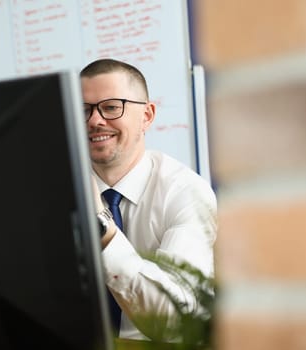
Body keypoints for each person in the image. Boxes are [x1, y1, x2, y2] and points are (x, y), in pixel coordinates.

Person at [80, 58, 217, 341]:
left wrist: (101, 228)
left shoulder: (186, 193)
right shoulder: (58, 189)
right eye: (84, 110)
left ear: (147, 116)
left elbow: (171, 322)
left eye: (111, 107)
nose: (94, 120)